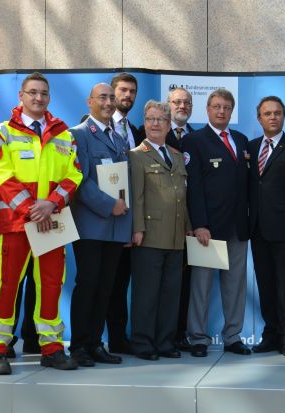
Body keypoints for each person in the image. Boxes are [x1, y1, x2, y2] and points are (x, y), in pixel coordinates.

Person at [0, 72, 82, 374]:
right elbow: (2, 177)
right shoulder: (1, 133)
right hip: (15, 225)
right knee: (7, 286)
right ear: (21, 96)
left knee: (51, 285)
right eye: (33, 92)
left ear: (49, 97)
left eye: (44, 93)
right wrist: (32, 210)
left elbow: (74, 174)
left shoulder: (64, 134)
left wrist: (52, 204)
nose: (39, 98)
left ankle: (51, 348)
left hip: (52, 222)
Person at [182, 88, 251, 358]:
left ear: (232, 111)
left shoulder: (242, 140)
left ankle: (233, 336)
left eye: (226, 107)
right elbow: (194, 188)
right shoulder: (194, 140)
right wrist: (199, 223)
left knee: (235, 287)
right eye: (216, 107)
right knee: (201, 286)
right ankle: (197, 338)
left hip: (237, 227)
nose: (221, 111)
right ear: (207, 110)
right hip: (207, 229)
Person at [69, 83, 132, 366]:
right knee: (88, 284)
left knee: (106, 287)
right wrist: (110, 206)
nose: (108, 102)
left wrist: (126, 218)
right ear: (89, 102)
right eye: (102, 97)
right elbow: (79, 180)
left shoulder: (119, 138)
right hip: (91, 225)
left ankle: (95, 343)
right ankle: (79, 346)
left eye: (111, 97)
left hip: (116, 228)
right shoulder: (78, 135)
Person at [129, 100, 191, 360]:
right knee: (146, 295)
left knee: (170, 295)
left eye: (160, 120)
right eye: (151, 119)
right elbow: (137, 196)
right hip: (149, 235)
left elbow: (182, 196)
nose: (155, 124)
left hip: (176, 236)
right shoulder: (136, 155)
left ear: (169, 125)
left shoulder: (177, 156)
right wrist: (137, 229)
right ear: (144, 124)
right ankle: (143, 343)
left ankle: (165, 343)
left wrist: (187, 227)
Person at [248, 96, 285, 358]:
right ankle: (270, 334)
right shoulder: (250, 148)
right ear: (259, 118)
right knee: (266, 284)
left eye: (277, 113)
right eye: (267, 113)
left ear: (284, 116)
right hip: (257, 229)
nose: (272, 117)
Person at [107, 72, 142, 355]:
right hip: (104, 219)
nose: (127, 95)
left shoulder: (137, 131)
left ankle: (118, 338)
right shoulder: (92, 127)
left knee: (121, 284)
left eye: (131, 91)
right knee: (99, 283)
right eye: (122, 90)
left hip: (130, 220)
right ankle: (92, 341)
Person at [166, 87, 195, 351]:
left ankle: (179, 333)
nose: (182, 106)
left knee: (185, 281)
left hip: (189, 223)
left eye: (187, 102)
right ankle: (160, 335)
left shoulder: (198, 138)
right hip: (160, 222)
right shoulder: (152, 133)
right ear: (168, 105)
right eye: (177, 102)